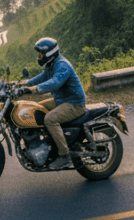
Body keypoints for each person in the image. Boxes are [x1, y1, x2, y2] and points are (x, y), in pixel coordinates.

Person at [19, 37, 86, 170]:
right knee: (36, 109)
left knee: (50, 119)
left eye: (40, 54)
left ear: (49, 54)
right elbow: (41, 78)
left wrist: (35, 89)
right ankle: (46, 141)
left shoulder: (62, 65)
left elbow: (55, 82)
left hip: (74, 103)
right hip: (62, 100)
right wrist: (24, 84)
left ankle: (64, 155)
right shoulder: (51, 65)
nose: (39, 56)